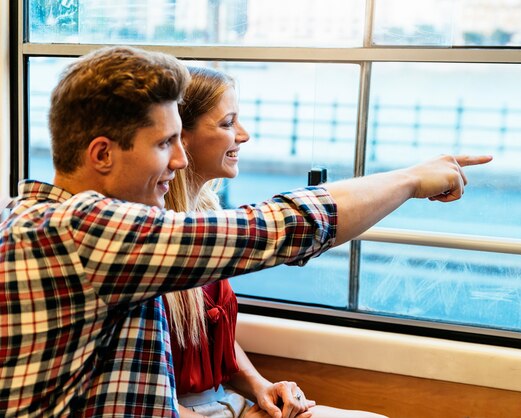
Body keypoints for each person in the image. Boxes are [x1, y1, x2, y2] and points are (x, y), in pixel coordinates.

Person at [0, 45, 491, 417]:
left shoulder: (37, 218)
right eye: (165, 143)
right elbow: (276, 228)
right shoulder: (83, 231)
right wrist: (408, 180)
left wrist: (252, 389)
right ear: (102, 154)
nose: (178, 158)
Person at [163, 66, 387, 418]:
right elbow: (149, 402)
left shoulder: (205, 215)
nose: (244, 134)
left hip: (224, 401)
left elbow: (211, 334)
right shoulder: (155, 238)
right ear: (181, 137)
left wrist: (261, 387)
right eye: (227, 123)